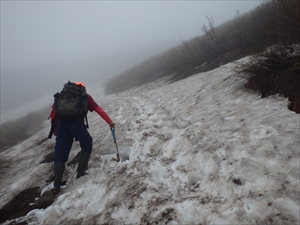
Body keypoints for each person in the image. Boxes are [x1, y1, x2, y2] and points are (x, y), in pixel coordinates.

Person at [49, 81, 115, 194]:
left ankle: (56, 186)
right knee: (87, 143)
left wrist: (55, 129)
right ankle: (81, 172)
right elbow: (99, 110)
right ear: (83, 88)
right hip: (76, 125)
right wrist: (110, 122)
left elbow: (53, 113)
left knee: (60, 154)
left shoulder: (62, 96)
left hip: (61, 126)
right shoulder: (84, 97)